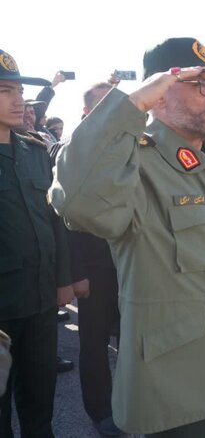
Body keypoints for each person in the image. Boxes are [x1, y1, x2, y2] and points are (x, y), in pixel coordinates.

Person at [49, 37, 205, 437]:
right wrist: (132, 102)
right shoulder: (135, 164)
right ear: (159, 95)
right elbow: (75, 198)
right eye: (201, 85)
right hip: (176, 395)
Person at [0, 48, 74, 437]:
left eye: (18, 90)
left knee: (39, 403)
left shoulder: (33, 150)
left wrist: (64, 280)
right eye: (5, 90)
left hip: (41, 302)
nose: (18, 100)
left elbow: (55, 221)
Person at [48, 80, 124, 437]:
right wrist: (74, 273)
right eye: (103, 104)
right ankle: (101, 411)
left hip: (128, 264)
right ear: (86, 113)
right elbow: (59, 220)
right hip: (93, 269)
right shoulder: (71, 151)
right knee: (94, 345)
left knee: (132, 340)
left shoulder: (129, 146)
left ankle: (132, 402)